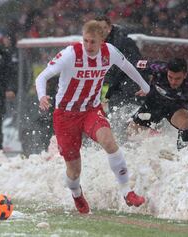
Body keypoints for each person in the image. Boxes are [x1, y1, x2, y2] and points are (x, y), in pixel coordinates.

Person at [35, 20, 150, 214]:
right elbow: (42, 77)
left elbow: (128, 67)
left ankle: (127, 192)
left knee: (109, 142)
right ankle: (76, 194)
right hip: (65, 115)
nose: (88, 46)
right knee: (74, 170)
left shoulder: (110, 52)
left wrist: (145, 86)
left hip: (90, 109)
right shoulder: (70, 54)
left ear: (102, 40)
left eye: (93, 42)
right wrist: (42, 96)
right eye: (86, 41)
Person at [128, 58, 188, 150]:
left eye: (177, 78)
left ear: (185, 75)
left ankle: (183, 153)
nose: (173, 82)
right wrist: (143, 85)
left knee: (186, 120)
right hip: (153, 102)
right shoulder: (158, 67)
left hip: (175, 107)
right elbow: (130, 65)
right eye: (170, 77)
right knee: (130, 131)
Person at [95, 15, 143, 108]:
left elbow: (133, 65)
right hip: (106, 87)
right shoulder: (93, 45)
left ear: (109, 28)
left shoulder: (124, 42)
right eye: (98, 28)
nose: (101, 31)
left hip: (124, 87)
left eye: (104, 27)